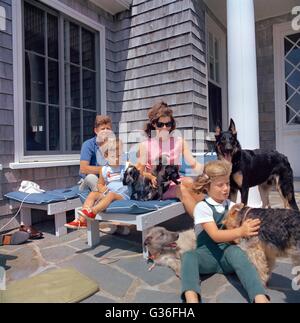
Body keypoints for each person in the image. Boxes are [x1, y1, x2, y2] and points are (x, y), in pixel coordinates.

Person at [181, 160, 270, 303]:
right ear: (207, 187)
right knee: (188, 257)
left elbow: (247, 216)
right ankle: (192, 299)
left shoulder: (232, 205)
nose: (225, 188)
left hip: (227, 255)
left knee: (239, 254)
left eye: (227, 184)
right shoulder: (202, 208)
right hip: (206, 256)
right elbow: (215, 235)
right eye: (220, 185)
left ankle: (259, 297)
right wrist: (241, 231)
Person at [136, 101, 204, 216]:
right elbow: (138, 172)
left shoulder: (179, 142)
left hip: (174, 181)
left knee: (190, 182)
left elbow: (194, 164)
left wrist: (209, 173)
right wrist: (150, 176)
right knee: (181, 189)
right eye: (160, 124)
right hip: (156, 187)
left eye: (168, 124)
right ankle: (203, 225)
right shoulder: (145, 145)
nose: (164, 128)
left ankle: (208, 218)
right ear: (153, 124)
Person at [65, 115, 126, 233]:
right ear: (96, 131)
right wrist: (106, 169)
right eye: (102, 129)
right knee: (94, 179)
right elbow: (83, 169)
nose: (106, 131)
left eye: (108, 128)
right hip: (87, 181)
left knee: (118, 185)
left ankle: (116, 221)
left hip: (107, 180)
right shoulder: (88, 145)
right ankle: (108, 222)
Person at [77, 138, 130, 235]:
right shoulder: (104, 169)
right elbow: (100, 183)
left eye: (119, 155)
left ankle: (93, 211)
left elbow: (137, 170)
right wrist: (101, 188)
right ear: (106, 156)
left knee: (111, 195)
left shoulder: (125, 166)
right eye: (114, 156)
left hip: (122, 195)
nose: (117, 159)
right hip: (108, 193)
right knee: (93, 194)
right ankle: (81, 220)